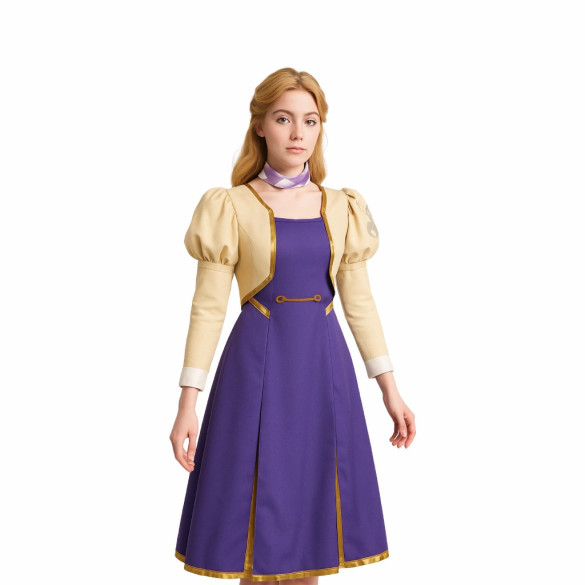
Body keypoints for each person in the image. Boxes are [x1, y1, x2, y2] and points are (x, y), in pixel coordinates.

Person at [169, 67, 416, 584]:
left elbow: (360, 304)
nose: (298, 133)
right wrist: (187, 403)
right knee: (250, 535)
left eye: (310, 120)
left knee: (314, 527)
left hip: (323, 371)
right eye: (283, 119)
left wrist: (390, 391)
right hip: (254, 371)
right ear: (260, 125)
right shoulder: (230, 205)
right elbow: (208, 308)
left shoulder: (342, 206)